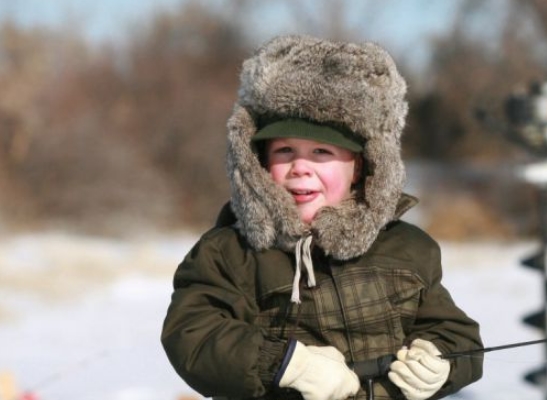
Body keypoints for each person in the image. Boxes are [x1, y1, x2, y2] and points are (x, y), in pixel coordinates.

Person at [161, 34, 483, 400]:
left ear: (361, 167)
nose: (300, 167)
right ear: (258, 163)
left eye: (321, 152)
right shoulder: (230, 253)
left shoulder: (408, 248)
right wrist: (286, 365)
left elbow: (456, 333)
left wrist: (442, 360)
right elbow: (194, 336)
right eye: (284, 150)